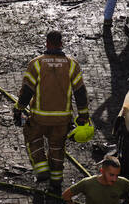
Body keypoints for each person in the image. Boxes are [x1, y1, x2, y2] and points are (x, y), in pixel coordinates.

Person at [14, 30, 91, 192]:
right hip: (62, 120)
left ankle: (41, 169)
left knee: (32, 137)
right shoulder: (72, 65)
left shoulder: (36, 64)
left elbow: (27, 91)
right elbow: (80, 92)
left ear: (47, 43)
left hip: (39, 117)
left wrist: (18, 109)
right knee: (57, 147)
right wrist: (83, 115)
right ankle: (56, 181)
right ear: (61, 43)